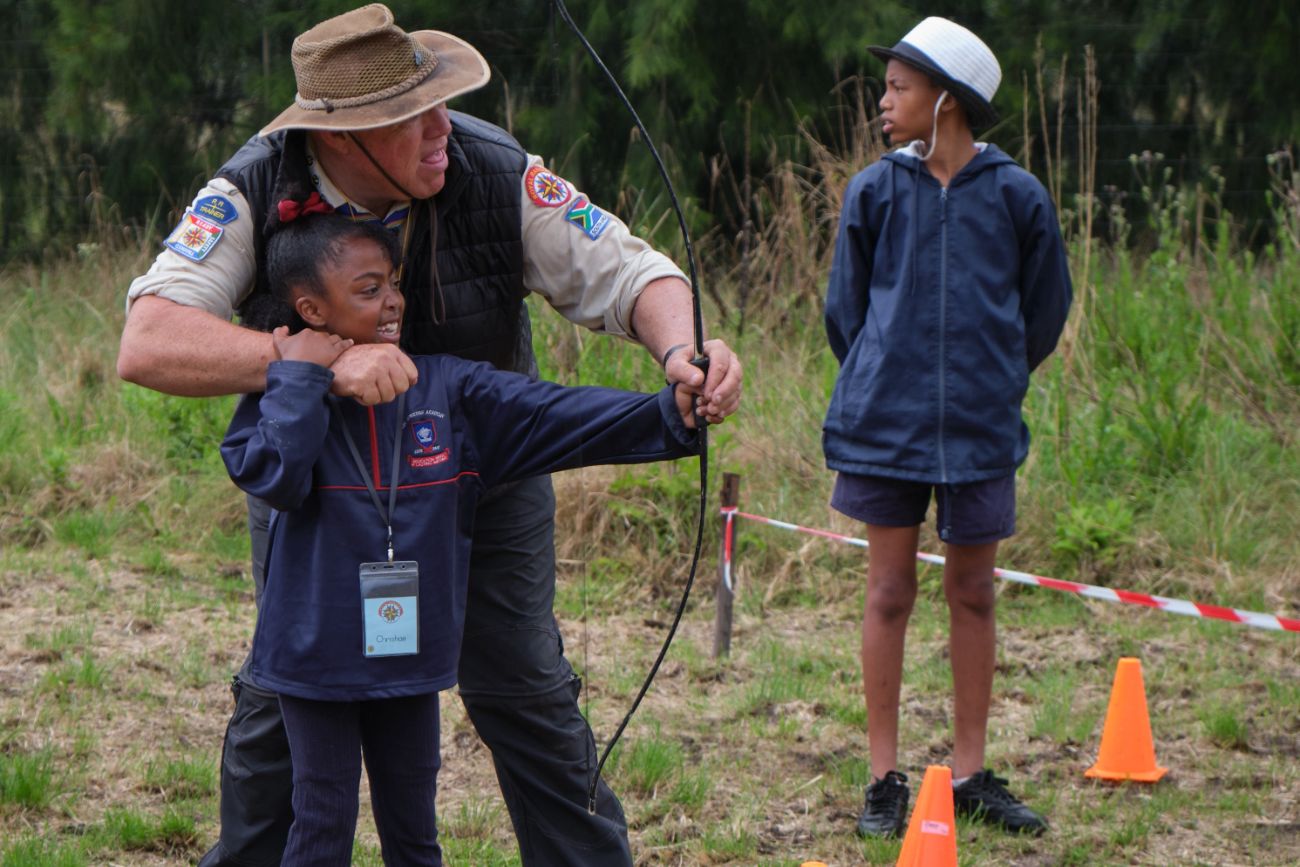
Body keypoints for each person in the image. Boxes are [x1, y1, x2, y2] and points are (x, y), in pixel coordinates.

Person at [116, 5, 742, 865]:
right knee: (283, 703)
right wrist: (313, 360)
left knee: (522, 686)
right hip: (320, 495)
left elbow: (630, 268)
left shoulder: (489, 166)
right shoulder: (252, 187)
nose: (445, 127)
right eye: (416, 117)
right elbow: (148, 338)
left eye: (442, 103)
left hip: (486, 474)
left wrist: (682, 349)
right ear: (342, 138)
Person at [221, 208, 702, 864]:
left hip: (408, 657)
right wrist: (304, 372)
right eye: (368, 290)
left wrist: (668, 416)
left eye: (393, 282)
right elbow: (272, 472)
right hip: (311, 662)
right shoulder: (279, 394)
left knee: (416, 830)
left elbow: (554, 414)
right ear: (311, 307)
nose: (392, 301)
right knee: (323, 821)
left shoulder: (448, 388)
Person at [822, 17, 1072, 839]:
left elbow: (1043, 313)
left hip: (978, 432)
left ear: (948, 101)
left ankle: (969, 773)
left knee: (973, 591)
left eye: (898, 88)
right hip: (883, 428)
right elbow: (844, 314)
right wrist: (883, 374)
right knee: (888, 591)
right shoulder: (874, 191)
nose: (884, 104)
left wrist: (991, 379)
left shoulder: (1017, 197)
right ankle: (884, 778)